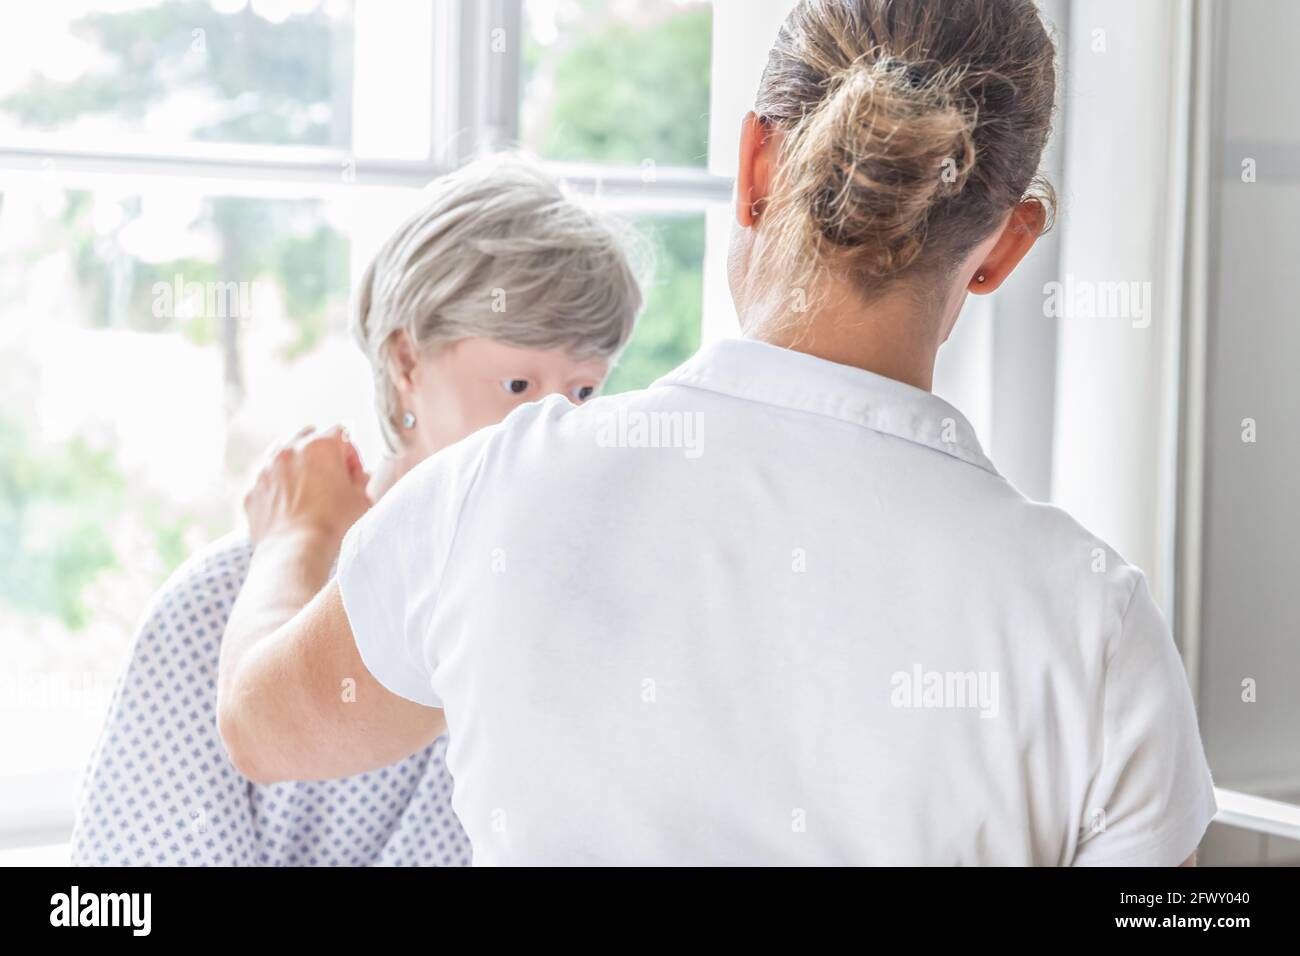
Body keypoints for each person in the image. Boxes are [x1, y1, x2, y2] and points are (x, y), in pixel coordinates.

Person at [217, 0, 1217, 865]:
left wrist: (300, 534)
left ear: (753, 165)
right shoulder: (1098, 629)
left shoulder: (490, 498)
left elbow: (258, 725)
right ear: (1005, 247)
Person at [70, 154, 642, 865]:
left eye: (583, 393)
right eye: (518, 382)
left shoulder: (583, 615)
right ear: (407, 363)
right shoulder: (213, 612)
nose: (551, 428)